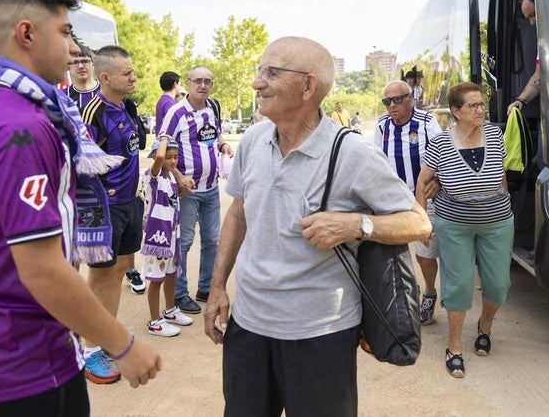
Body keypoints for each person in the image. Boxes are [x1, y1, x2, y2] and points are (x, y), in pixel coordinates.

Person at [0, 0, 161, 414]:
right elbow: (41, 269)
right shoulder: (22, 125)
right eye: (66, 32)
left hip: (9, 345)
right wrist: (123, 344)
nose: (75, 49)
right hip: (21, 356)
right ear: (27, 33)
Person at [203, 36, 431, 416]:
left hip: (321, 334)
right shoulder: (253, 140)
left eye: (271, 73)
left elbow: (418, 223)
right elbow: (238, 214)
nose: (258, 83)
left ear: (308, 86)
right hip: (249, 325)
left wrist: (356, 225)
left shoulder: (353, 154)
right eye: (260, 71)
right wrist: (216, 289)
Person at [415, 82, 514, 379]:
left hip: (497, 221)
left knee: (498, 285)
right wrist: (422, 221)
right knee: (458, 287)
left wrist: (506, 207)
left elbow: (501, 175)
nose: (480, 110)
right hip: (455, 224)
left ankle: (485, 326)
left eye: (482, 104)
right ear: (456, 111)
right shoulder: (441, 143)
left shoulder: (495, 134)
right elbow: (423, 182)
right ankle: (454, 346)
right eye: (473, 106)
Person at [80, 45, 145, 384]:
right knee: (100, 277)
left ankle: (106, 340)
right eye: (127, 73)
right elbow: (82, 166)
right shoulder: (93, 112)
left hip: (131, 204)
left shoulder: (127, 107)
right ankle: (91, 350)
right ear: (105, 77)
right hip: (104, 209)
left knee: (119, 271)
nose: (134, 77)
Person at [159, 66, 234, 314]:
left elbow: (216, 134)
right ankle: (179, 294)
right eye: (198, 81)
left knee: (212, 240)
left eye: (208, 81)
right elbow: (160, 149)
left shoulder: (212, 106)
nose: (203, 85)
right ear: (187, 83)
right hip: (187, 191)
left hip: (211, 188)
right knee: (184, 243)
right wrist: (178, 177)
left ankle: (205, 287)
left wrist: (223, 146)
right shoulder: (176, 112)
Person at [373, 80, 442, 325]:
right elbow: (376, 162)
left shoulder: (426, 123)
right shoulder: (382, 126)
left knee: (425, 255)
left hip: (426, 198)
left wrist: (440, 182)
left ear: (410, 97)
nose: (391, 106)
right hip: (395, 203)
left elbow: (443, 156)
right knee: (393, 254)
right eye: (387, 101)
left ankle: (429, 292)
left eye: (397, 100)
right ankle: (398, 304)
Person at [140, 137, 194, 337]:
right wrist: (163, 138)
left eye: (175, 157)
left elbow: (172, 201)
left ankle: (170, 310)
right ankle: (155, 322)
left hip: (172, 234)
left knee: (170, 273)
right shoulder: (151, 176)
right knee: (156, 278)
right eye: (168, 157)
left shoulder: (171, 178)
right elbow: (160, 155)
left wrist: (185, 186)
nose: (172, 161)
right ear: (155, 157)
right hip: (157, 238)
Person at [64, 44, 99, 109]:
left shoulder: (108, 92)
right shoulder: (62, 96)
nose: (80, 66)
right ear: (69, 67)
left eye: (85, 61)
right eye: (75, 62)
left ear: (93, 64)